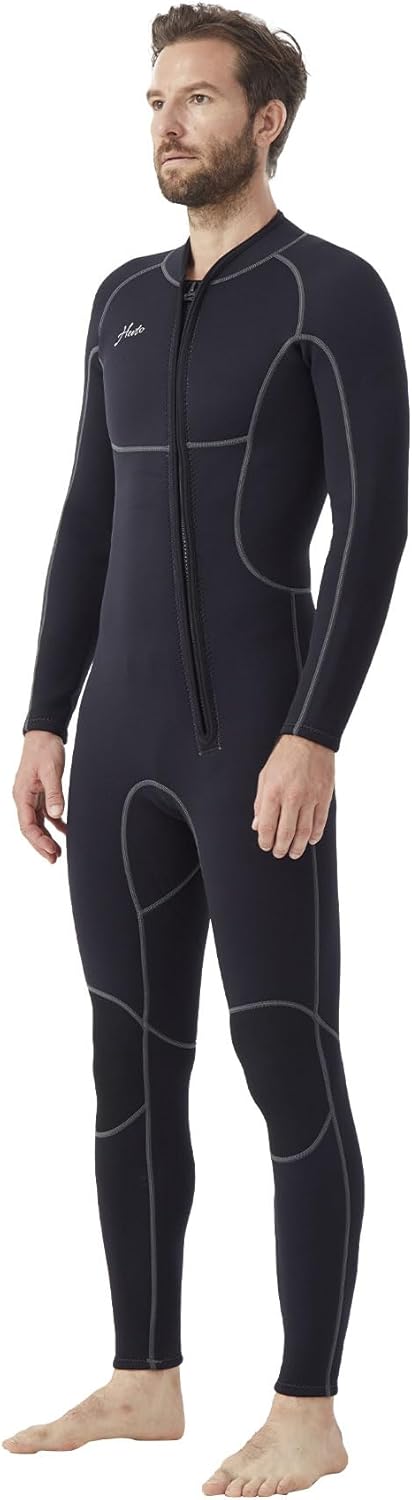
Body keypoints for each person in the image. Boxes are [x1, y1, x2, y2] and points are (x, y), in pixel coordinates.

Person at [7, 7, 409, 1493]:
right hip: (117, 753)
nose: (168, 123)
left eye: (198, 99)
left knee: (285, 1054)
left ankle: (309, 1406)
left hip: (255, 743)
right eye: (155, 100)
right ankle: (145, 1375)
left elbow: (376, 524)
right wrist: (44, 714)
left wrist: (315, 729)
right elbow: (86, 516)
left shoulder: (332, 292)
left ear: (269, 119)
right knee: (126, 1058)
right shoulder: (118, 298)